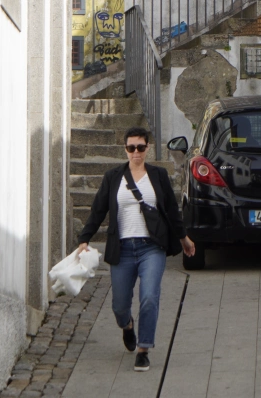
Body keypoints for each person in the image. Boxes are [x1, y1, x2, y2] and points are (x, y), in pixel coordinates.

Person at [77, 126, 195, 372]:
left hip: (151, 247)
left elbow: (171, 210)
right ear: (125, 149)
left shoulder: (158, 175)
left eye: (140, 147)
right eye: (131, 148)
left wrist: (183, 237)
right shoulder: (113, 177)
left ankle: (143, 349)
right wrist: (85, 238)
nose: (136, 152)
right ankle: (127, 326)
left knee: (149, 297)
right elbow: (99, 209)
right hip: (122, 249)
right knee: (119, 306)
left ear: (148, 148)